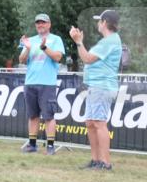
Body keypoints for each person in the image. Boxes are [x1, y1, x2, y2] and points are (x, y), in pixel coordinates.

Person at [70, 10, 123, 171]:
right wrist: (79, 42)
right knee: (90, 123)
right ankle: (96, 160)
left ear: (105, 22)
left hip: (102, 86)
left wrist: (79, 42)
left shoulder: (110, 41)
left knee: (99, 123)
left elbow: (87, 58)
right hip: (97, 86)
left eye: (99, 21)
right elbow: (88, 58)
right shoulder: (108, 41)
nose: (98, 24)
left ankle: (105, 163)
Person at [19, 13, 66, 154]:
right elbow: (21, 60)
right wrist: (27, 48)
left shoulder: (56, 39)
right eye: (38, 23)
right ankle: (32, 145)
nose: (40, 25)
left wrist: (44, 47)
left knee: (48, 116)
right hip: (30, 82)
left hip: (47, 83)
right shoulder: (30, 40)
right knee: (33, 115)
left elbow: (58, 57)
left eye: (43, 22)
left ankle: (50, 146)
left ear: (49, 24)